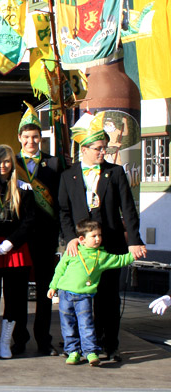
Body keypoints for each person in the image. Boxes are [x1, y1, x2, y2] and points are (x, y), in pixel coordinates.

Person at [58, 112, 147, 362]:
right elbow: (64, 212)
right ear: (84, 149)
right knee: (83, 298)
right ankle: (85, 346)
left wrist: (134, 241)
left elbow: (128, 210)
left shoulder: (115, 173)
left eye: (104, 149)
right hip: (82, 250)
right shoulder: (68, 176)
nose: (102, 153)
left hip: (110, 245)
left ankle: (111, 344)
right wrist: (70, 239)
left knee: (108, 297)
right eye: (98, 148)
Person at [0, 144, 36, 359]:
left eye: (7, 161)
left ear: (13, 163)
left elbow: (29, 221)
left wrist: (12, 242)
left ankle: (5, 342)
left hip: (16, 250)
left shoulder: (24, 189)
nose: (2, 165)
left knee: (15, 298)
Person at [48, 220, 135, 365]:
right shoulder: (73, 251)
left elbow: (120, 260)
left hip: (84, 297)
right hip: (65, 295)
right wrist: (53, 286)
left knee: (86, 324)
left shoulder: (101, 255)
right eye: (93, 236)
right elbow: (60, 269)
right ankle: (73, 352)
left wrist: (134, 253)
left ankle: (90, 352)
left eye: (99, 235)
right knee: (68, 325)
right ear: (81, 239)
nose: (98, 239)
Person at [14, 103, 62, 355]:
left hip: (46, 235)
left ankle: (44, 339)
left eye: (35, 137)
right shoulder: (11, 163)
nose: (31, 141)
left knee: (45, 289)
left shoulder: (54, 164)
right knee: (18, 291)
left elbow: (62, 201)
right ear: (19, 138)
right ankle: (18, 339)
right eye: (27, 136)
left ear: (40, 138)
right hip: (20, 235)